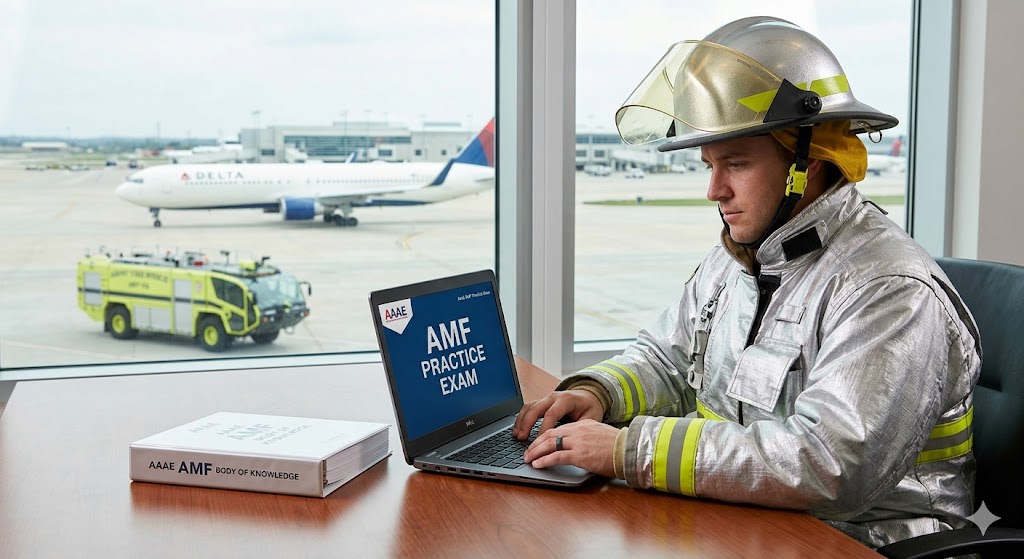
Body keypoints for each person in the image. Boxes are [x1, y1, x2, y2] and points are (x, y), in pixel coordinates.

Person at [513, 16, 981, 549]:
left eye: (736, 163)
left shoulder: (886, 288)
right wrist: (600, 393)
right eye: (709, 164)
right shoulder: (741, 258)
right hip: (753, 522)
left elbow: (829, 465)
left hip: (862, 542)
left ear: (808, 162)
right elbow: (667, 360)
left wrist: (627, 450)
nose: (714, 189)